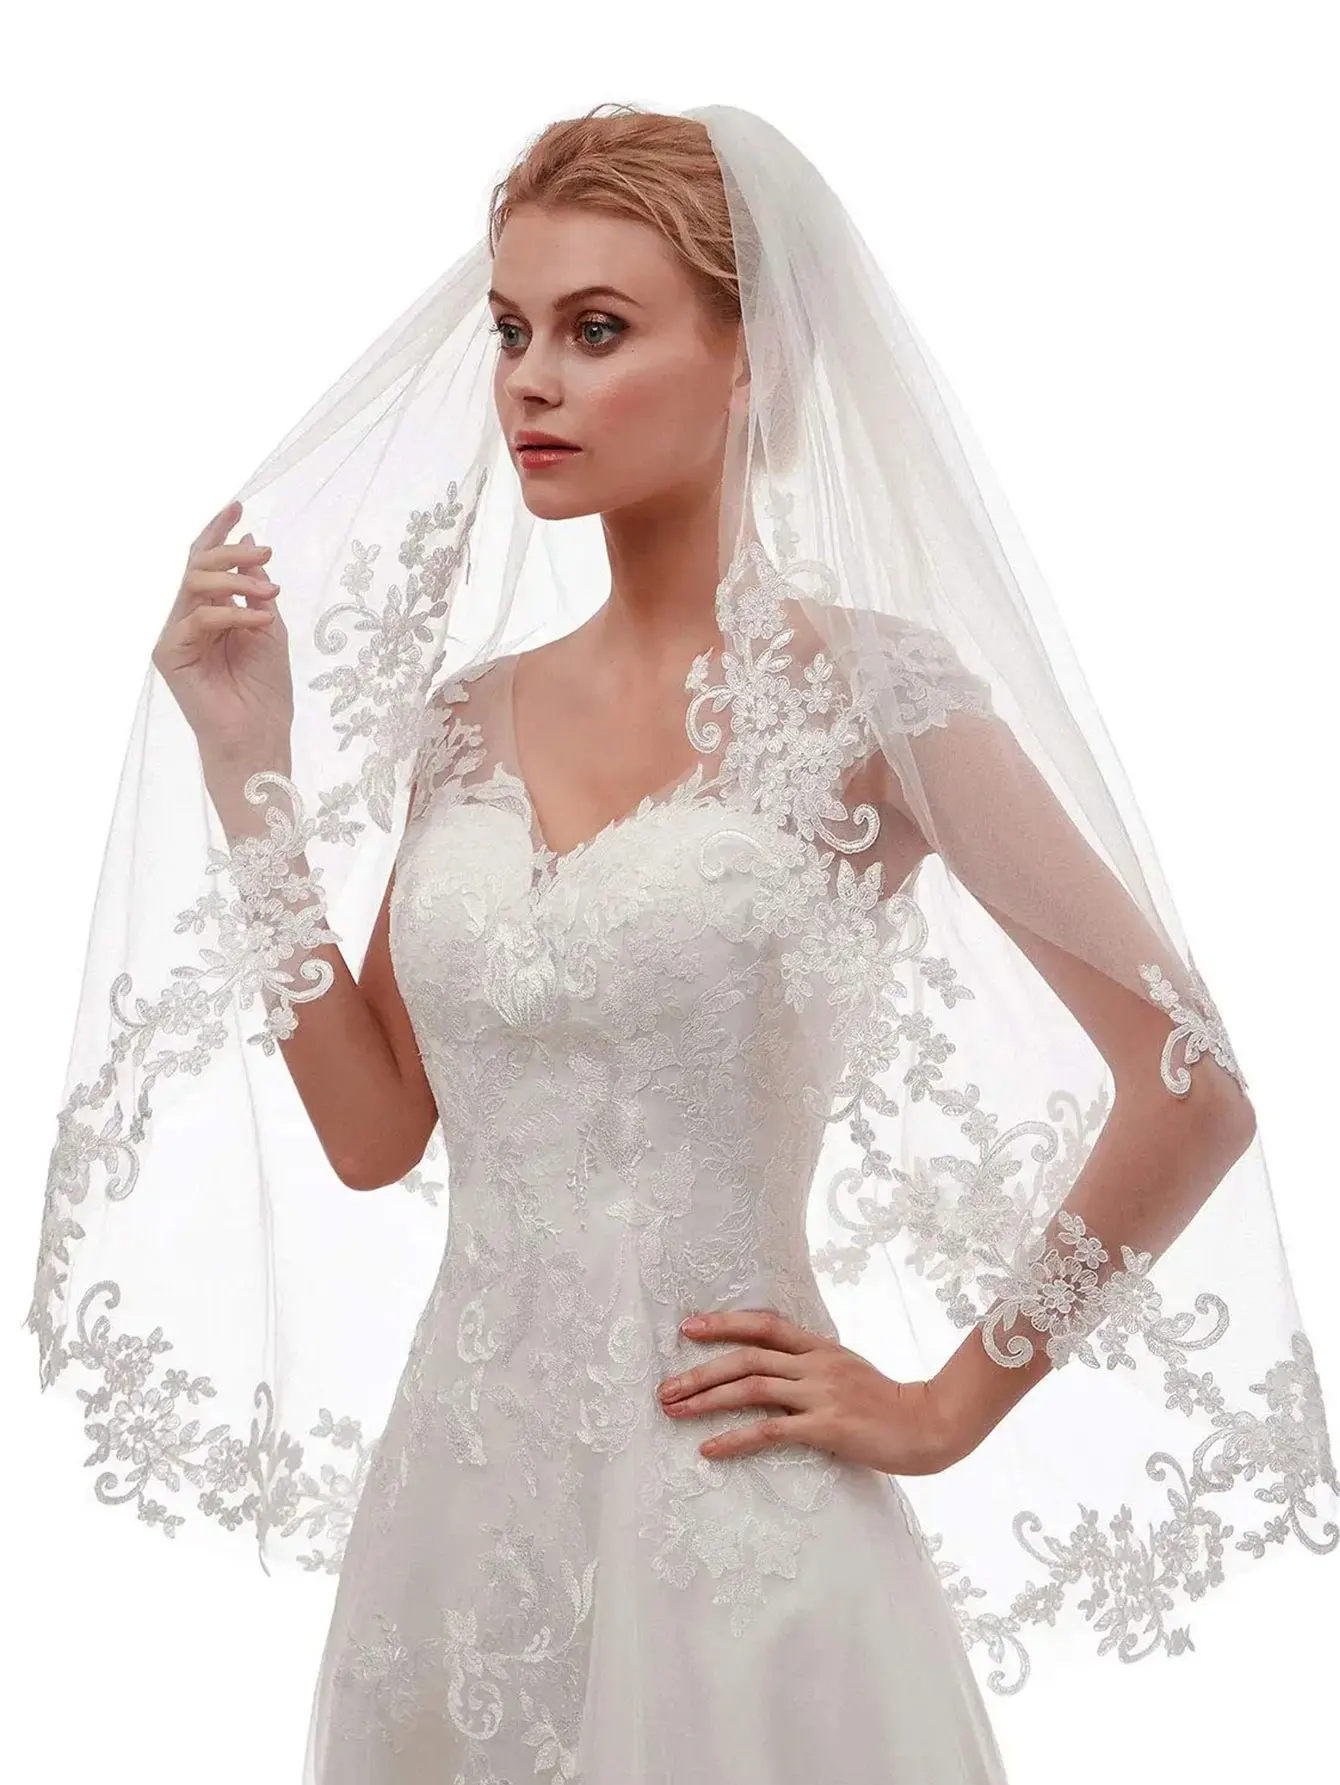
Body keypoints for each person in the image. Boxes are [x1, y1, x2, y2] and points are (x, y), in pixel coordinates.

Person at [28, 103, 1337, 1783]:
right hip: (460, 1516)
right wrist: (247, 776)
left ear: (751, 361)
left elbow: (1190, 1083)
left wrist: (944, 1406)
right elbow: (374, 1132)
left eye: (597, 330)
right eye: (512, 330)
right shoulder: (465, 725)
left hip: (737, 1518)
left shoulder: (874, 697)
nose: (530, 381)